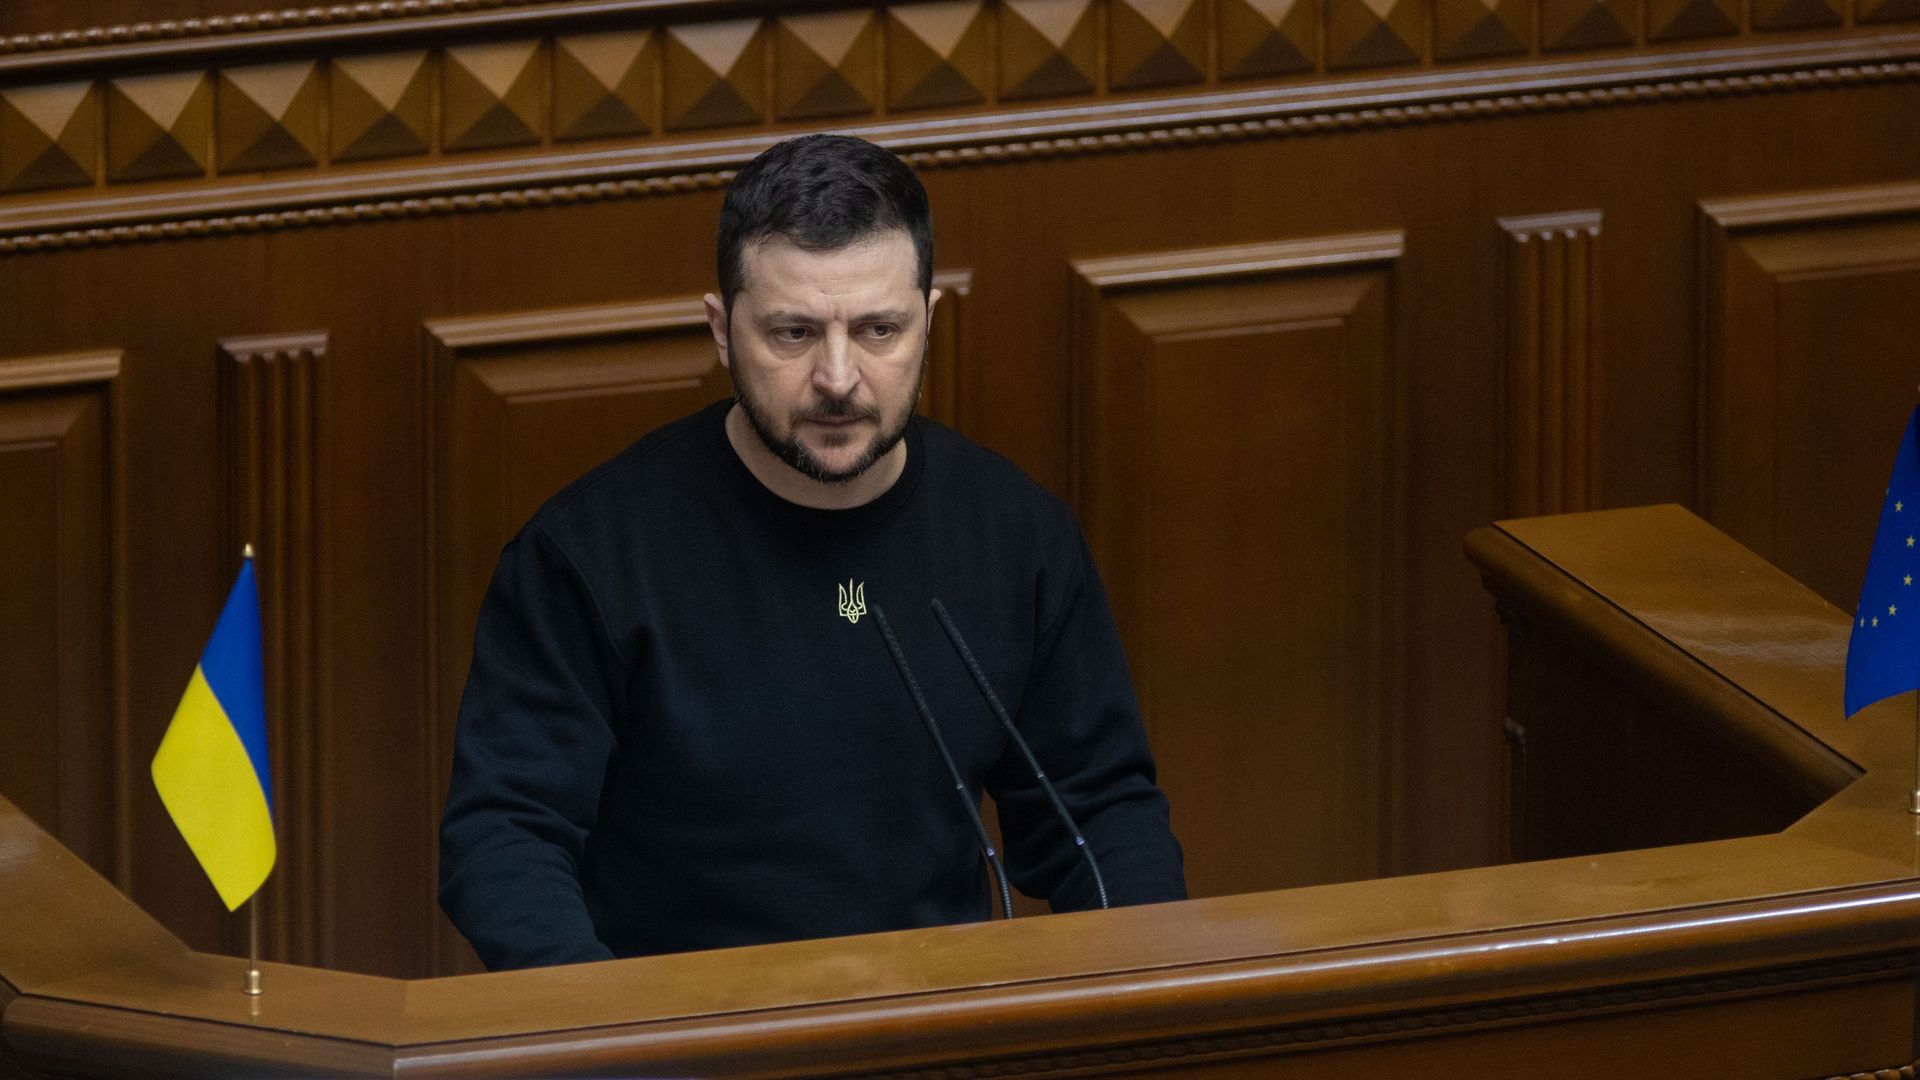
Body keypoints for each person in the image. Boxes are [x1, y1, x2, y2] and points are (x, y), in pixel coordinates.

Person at [438, 133, 1185, 971]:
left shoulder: (1017, 535)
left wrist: (1145, 996)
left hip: (935, 1027)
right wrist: (607, 1037)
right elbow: (506, 837)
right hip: (680, 1039)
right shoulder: (586, 555)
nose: (839, 377)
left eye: (878, 330)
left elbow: (1100, 815)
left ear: (929, 322)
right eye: (793, 333)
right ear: (722, 331)